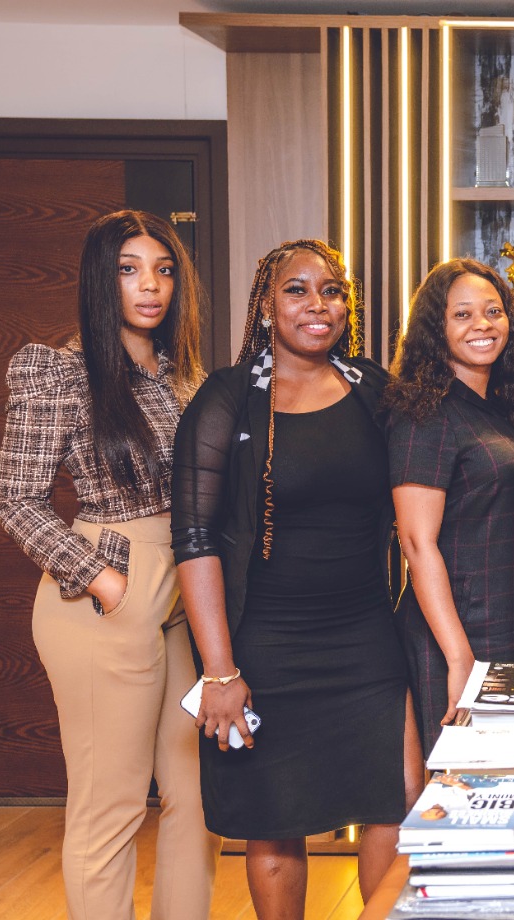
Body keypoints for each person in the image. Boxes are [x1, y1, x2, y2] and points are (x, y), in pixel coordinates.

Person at [171, 239, 410, 915]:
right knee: (275, 819)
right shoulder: (228, 399)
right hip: (265, 645)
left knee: (393, 802)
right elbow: (194, 538)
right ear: (265, 306)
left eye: (331, 291)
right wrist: (220, 672)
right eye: (297, 290)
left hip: (366, 639)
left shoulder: (374, 390)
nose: (317, 304)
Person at [0, 210, 216, 920]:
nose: (150, 286)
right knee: (111, 804)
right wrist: (104, 581)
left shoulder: (184, 377)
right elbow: (15, 499)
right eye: (129, 269)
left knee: (198, 796)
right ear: (100, 278)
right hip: (107, 593)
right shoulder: (60, 370)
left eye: (163, 269)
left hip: (186, 591)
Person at [387, 259, 514, 755]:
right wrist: (458, 656)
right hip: (457, 636)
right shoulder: (425, 413)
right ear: (436, 328)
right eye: (462, 314)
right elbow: (416, 543)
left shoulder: (507, 408)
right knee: (463, 786)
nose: (482, 325)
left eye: (493, 311)